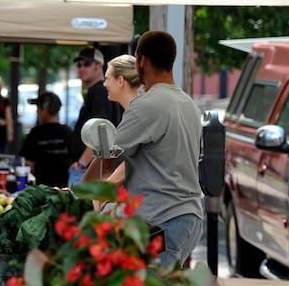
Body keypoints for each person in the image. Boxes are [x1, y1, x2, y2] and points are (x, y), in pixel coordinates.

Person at [86, 31, 203, 268]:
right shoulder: (188, 103)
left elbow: (108, 158)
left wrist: (83, 190)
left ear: (141, 60)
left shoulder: (147, 104)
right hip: (189, 217)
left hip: (161, 222)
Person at [83, 54, 142, 184]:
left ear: (120, 81)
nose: (104, 84)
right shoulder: (133, 113)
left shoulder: (137, 116)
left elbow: (127, 165)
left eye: (107, 79)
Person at [69, 47, 123, 186]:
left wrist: (82, 164)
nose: (81, 68)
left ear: (99, 66)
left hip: (88, 170)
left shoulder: (99, 92)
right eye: (79, 65)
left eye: (86, 64)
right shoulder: (96, 91)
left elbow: (100, 131)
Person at [18, 91, 73, 187]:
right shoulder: (68, 132)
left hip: (42, 188)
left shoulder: (35, 133)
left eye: (38, 108)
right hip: (65, 188)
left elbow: (28, 163)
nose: (37, 111)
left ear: (45, 110)